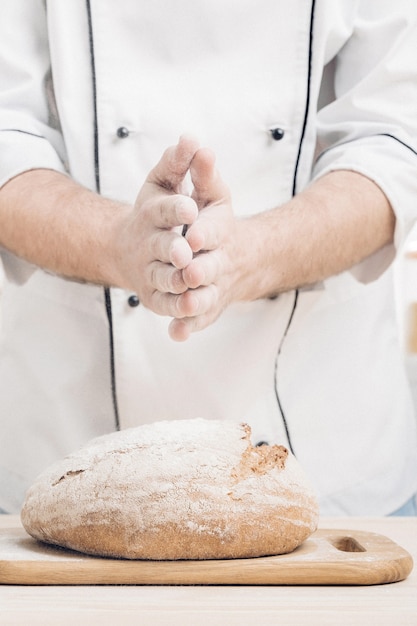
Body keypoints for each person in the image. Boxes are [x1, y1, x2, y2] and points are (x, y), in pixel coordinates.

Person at [0, 0, 417, 516]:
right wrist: (118, 244)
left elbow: (394, 141)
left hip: (327, 447)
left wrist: (252, 255)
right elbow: (6, 132)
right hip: (63, 439)